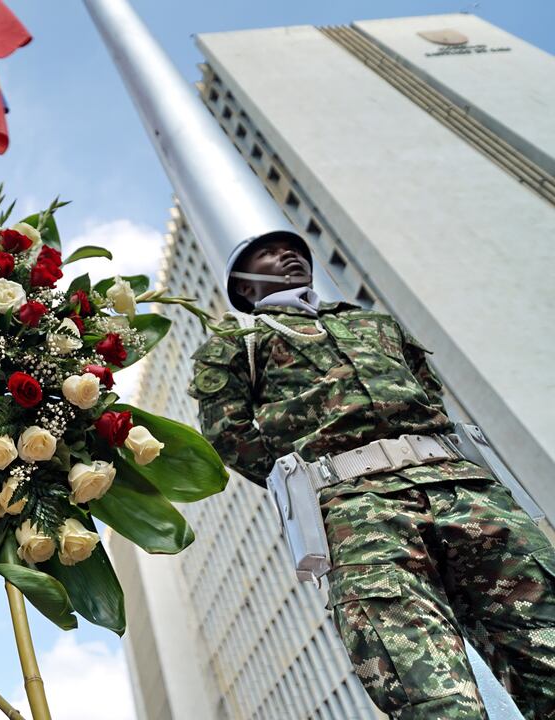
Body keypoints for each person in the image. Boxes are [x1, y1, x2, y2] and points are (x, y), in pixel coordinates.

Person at [188, 233, 555, 719]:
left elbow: (428, 394)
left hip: (465, 490)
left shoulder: (373, 322)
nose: (288, 255)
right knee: (432, 695)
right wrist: (320, 477)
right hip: (359, 514)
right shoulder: (239, 345)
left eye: (292, 249)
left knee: (546, 649)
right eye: (268, 254)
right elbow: (229, 436)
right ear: (244, 285)